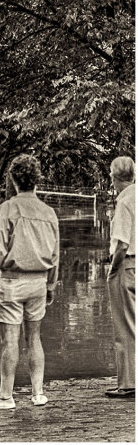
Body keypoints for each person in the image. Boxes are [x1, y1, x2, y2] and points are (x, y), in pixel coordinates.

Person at [0, 154, 59, 410]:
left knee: (10, 340)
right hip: (39, 282)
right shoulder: (49, 212)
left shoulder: (8, 209)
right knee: (34, 338)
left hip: (12, 282)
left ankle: (5, 396)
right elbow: (55, 255)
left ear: (12, 179)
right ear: (37, 180)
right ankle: (38, 393)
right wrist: (51, 286)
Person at [105, 156, 135, 398]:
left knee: (124, 325)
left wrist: (113, 269)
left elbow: (122, 243)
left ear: (115, 178)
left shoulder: (125, 202)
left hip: (127, 265)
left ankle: (128, 383)